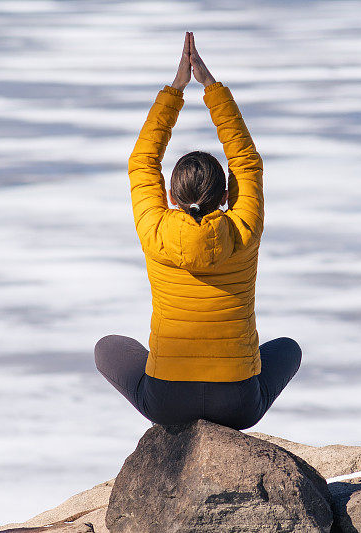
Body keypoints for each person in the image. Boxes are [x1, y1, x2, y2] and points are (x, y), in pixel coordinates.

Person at [94, 32, 301, 430]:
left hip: (167, 400)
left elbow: (142, 161)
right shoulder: (244, 228)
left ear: (170, 195)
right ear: (226, 194)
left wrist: (176, 89)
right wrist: (211, 88)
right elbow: (247, 160)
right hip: (238, 403)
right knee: (288, 349)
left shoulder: (156, 231)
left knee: (108, 348)